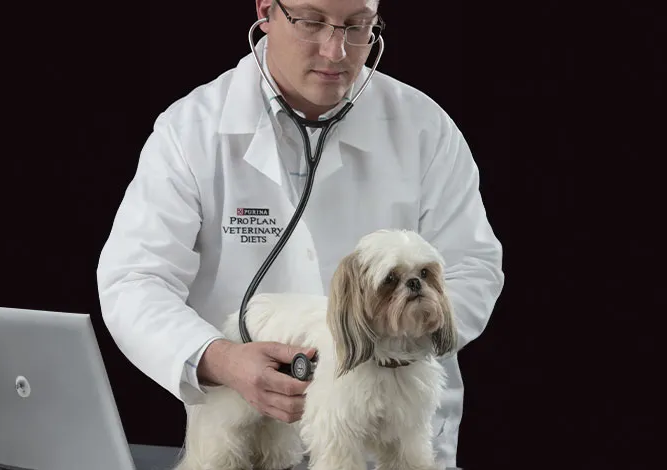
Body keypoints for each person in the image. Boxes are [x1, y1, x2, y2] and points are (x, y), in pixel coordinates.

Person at [96, 0, 504, 467]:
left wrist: (394, 345)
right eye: (312, 22)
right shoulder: (191, 131)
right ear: (266, 11)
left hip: (395, 429)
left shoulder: (424, 128)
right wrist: (220, 358)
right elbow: (134, 280)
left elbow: (474, 267)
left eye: (358, 27)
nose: (336, 51)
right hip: (245, 425)